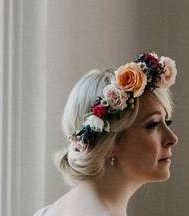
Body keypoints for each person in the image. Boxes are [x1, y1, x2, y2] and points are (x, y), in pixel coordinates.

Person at [33, 52, 179, 216]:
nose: (172, 139)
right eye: (152, 125)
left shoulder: (47, 212)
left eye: (167, 122)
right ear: (109, 142)